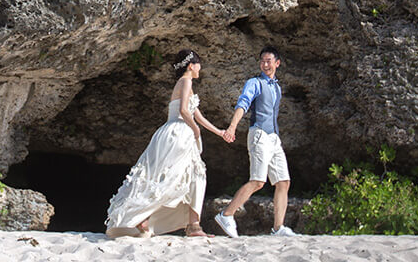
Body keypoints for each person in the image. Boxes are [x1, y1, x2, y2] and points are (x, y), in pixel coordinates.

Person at [105, 49, 230, 238]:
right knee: (177, 178)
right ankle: (172, 222)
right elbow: (184, 111)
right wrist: (195, 130)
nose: (200, 68)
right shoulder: (186, 81)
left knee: (185, 177)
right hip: (179, 133)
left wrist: (219, 132)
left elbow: (197, 114)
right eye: (198, 64)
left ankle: (189, 225)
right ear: (191, 65)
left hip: (176, 132)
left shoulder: (185, 83)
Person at [213, 45, 296, 237]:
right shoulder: (254, 82)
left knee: (283, 182)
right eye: (262, 61)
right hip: (259, 134)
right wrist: (232, 127)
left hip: (274, 137)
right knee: (258, 181)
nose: (265, 64)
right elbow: (243, 103)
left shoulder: (277, 87)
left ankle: (278, 228)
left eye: (269, 61)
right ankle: (226, 214)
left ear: (277, 63)